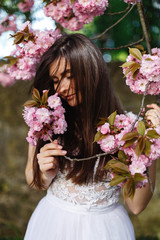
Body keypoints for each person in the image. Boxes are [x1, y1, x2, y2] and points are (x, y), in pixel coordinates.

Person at [24, 33, 158, 240]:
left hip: (106, 229)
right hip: (53, 224)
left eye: (69, 75)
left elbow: (137, 206)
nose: (62, 87)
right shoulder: (47, 122)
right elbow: (35, 182)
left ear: (91, 69)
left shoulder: (129, 130)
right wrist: (45, 174)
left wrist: (150, 141)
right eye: (56, 80)